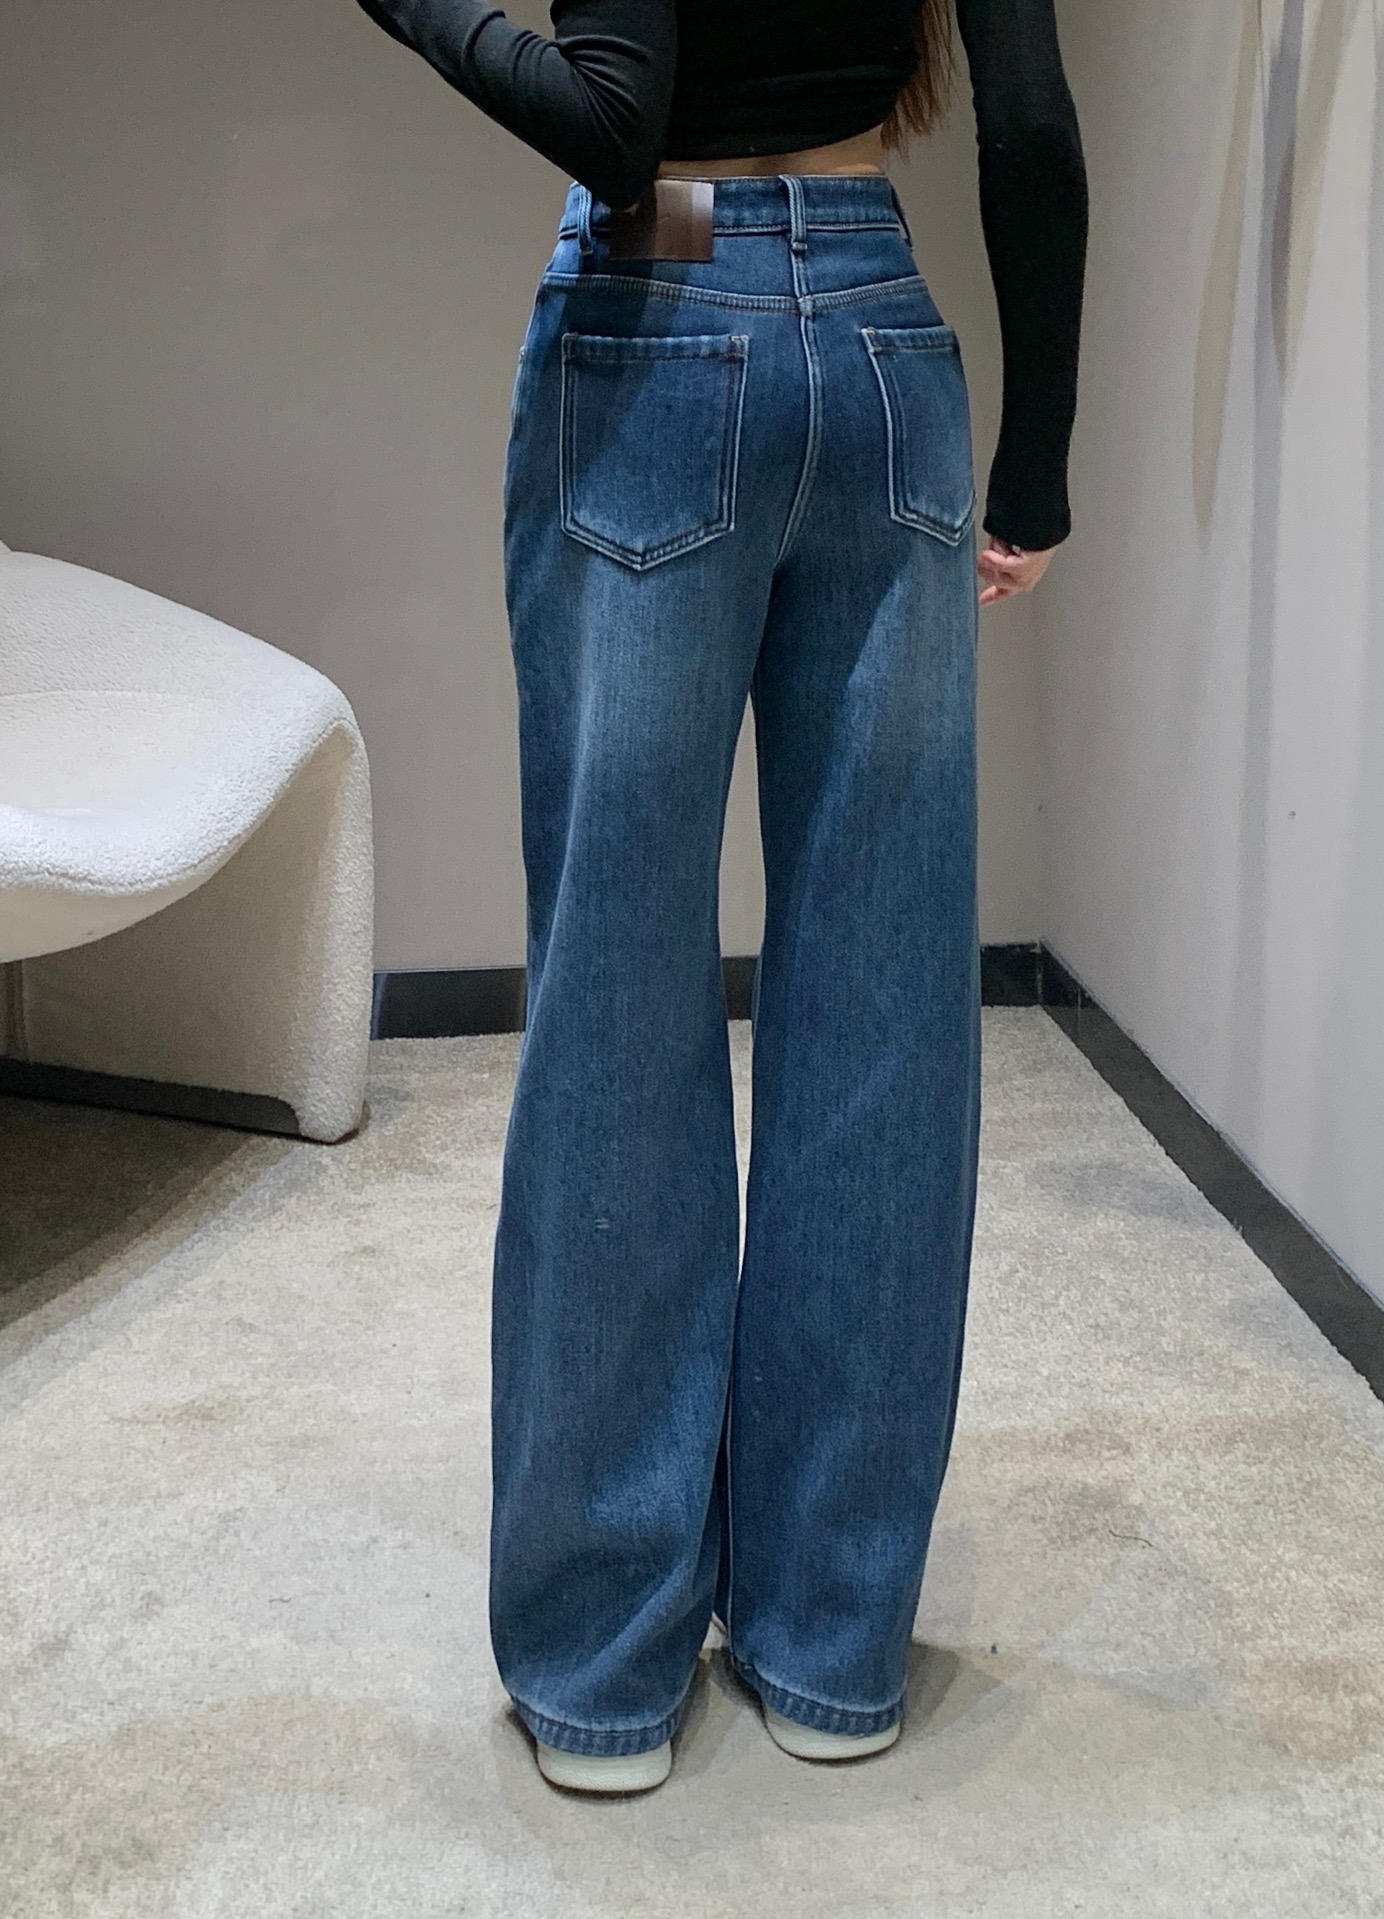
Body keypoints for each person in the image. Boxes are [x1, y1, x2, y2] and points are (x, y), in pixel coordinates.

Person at [354, 0, 1087, 1795]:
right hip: (886, 328)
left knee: (616, 1002)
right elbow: (1034, 128)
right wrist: (1038, 468)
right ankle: (833, 1649)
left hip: (659, 301)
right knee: (888, 1017)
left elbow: (618, 128)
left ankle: (606, 1669)